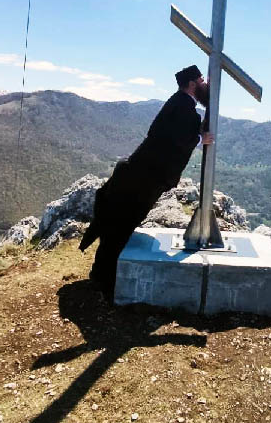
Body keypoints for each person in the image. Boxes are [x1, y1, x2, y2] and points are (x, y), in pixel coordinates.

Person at [79, 65, 213, 302]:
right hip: (144, 177)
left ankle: (102, 275)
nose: (205, 84)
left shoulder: (181, 103)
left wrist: (199, 131)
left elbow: (171, 132)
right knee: (121, 226)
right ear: (192, 84)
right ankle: (104, 281)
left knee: (119, 223)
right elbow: (176, 138)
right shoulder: (184, 106)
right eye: (202, 80)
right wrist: (200, 138)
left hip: (141, 174)